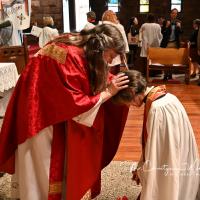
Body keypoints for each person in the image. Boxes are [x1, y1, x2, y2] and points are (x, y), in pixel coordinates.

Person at [0, 24, 130, 200]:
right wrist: (108, 92)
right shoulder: (70, 57)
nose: (108, 63)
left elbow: (82, 75)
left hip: (33, 110)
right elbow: (75, 104)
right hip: (41, 121)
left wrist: (113, 81)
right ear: (101, 48)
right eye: (110, 57)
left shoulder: (73, 43)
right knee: (43, 171)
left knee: (37, 167)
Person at [113, 70, 200, 200]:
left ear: (132, 93)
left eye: (126, 102)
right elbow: (154, 145)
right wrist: (141, 166)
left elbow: (159, 155)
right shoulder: (169, 97)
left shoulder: (157, 109)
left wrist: (145, 172)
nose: (128, 105)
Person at [101, 10, 129, 75]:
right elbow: (123, 43)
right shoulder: (119, 26)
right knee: (114, 76)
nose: (116, 17)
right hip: (115, 56)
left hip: (102, 57)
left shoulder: (98, 26)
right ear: (108, 16)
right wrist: (124, 55)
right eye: (114, 15)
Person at [160, 8, 183, 80]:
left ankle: (170, 74)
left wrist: (179, 27)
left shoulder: (178, 22)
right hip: (167, 43)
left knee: (171, 60)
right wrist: (166, 26)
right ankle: (165, 74)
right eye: (173, 13)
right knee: (166, 60)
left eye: (176, 13)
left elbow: (181, 33)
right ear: (170, 14)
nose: (174, 14)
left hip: (174, 43)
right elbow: (162, 32)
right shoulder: (166, 21)